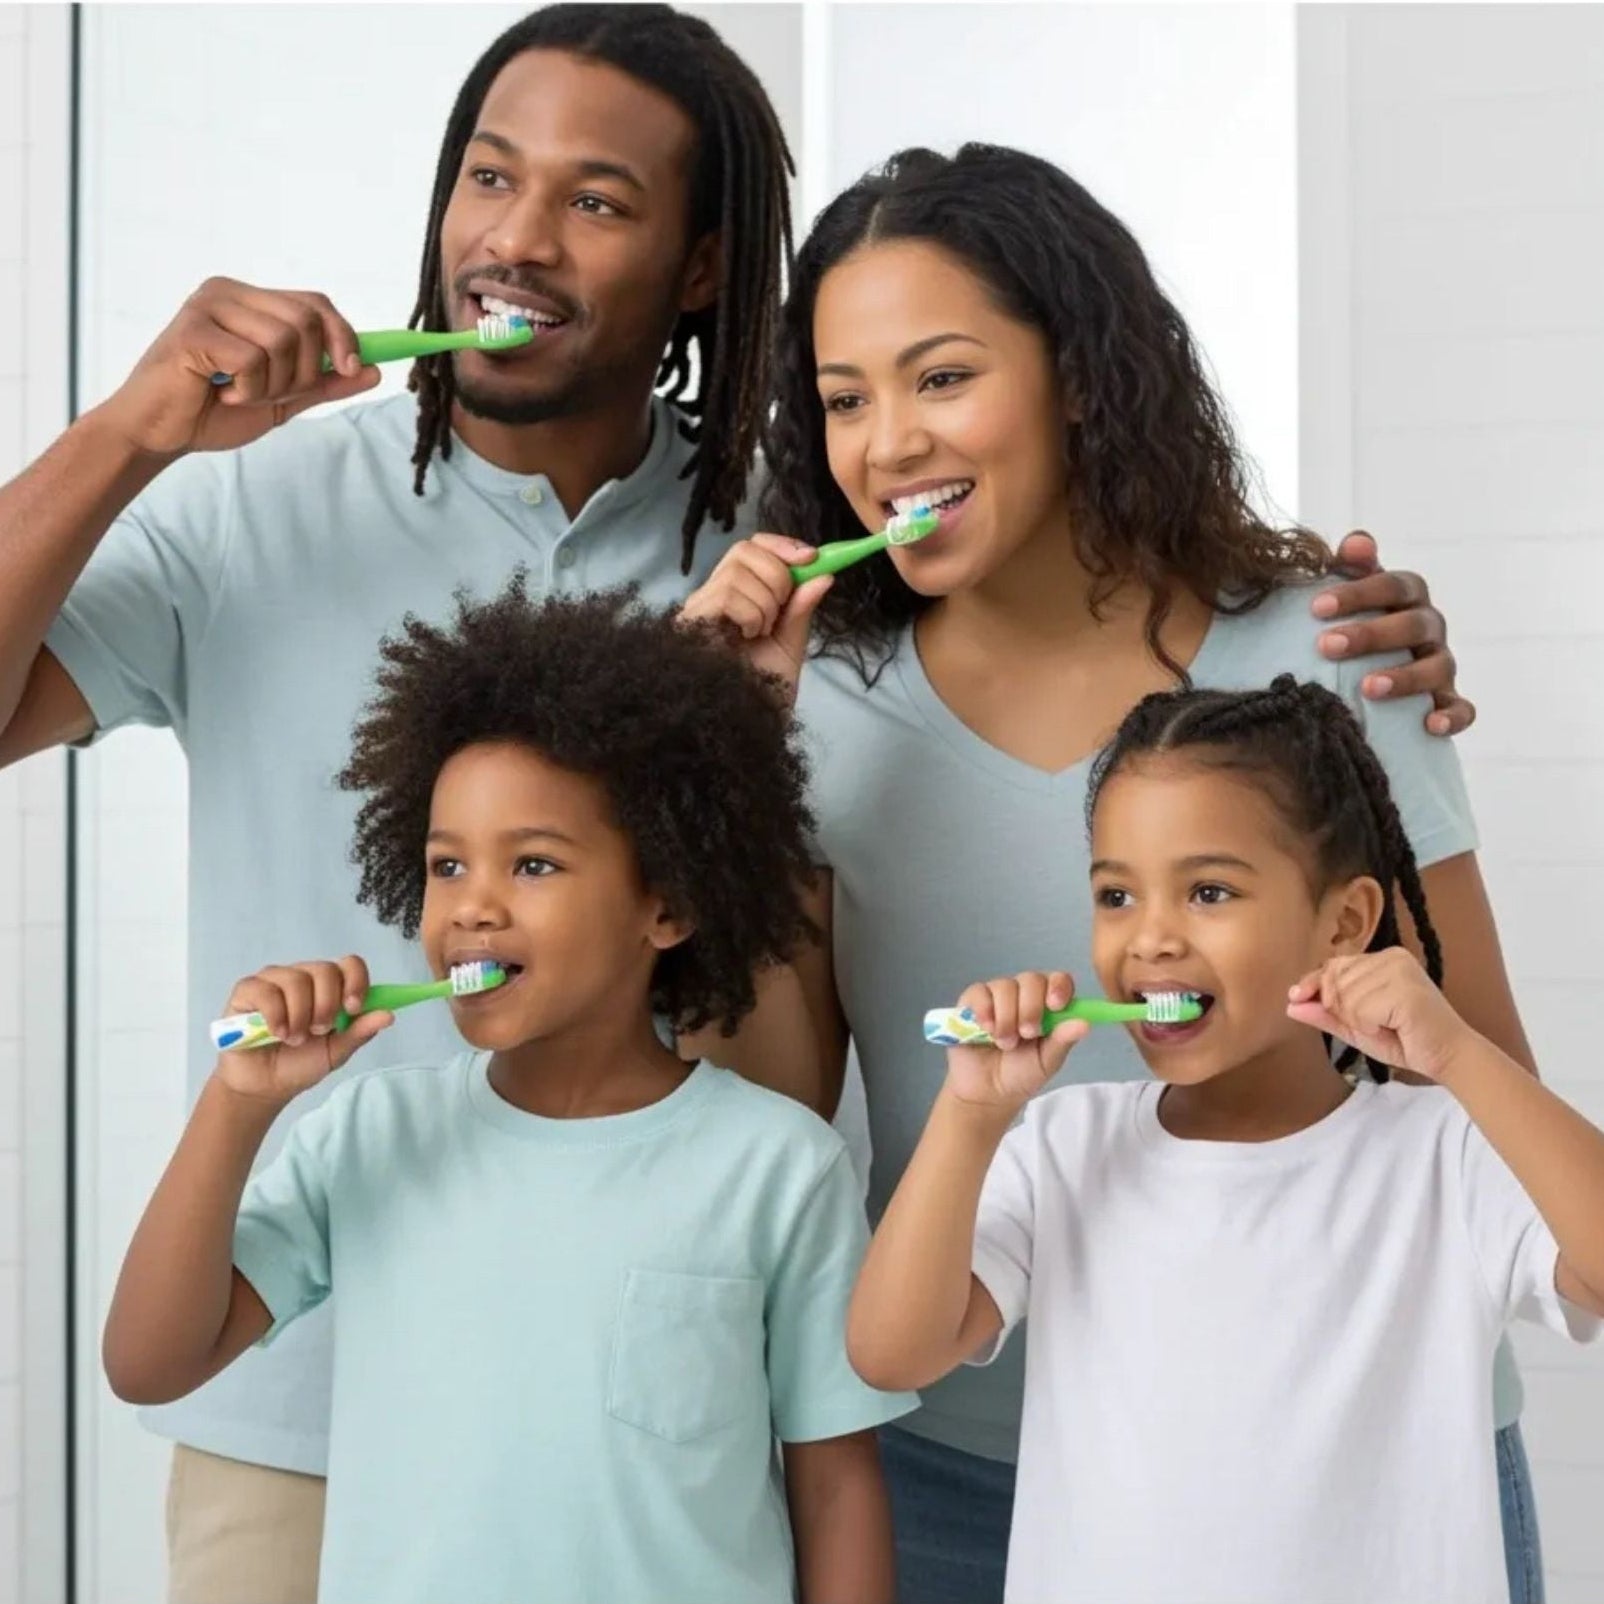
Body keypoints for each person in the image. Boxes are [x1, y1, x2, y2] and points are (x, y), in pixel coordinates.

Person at [0, 4, 1466, 1590]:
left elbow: (763, 1092)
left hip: (683, 1425)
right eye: (489, 176)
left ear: (702, 267)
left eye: (597, 199)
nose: (517, 238)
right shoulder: (248, 505)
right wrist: (133, 429)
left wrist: (1322, 640)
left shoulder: (786, 555)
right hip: (303, 1398)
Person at [682, 143, 1541, 1603]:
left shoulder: (1329, 653)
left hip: (1360, 1454)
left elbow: (1480, 1081)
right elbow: (766, 1115)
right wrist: (729, 766)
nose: (887, 444)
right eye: (845, 398)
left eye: (942, 377)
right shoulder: (819, 709)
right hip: (957, 1465)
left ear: (1078, 375)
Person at [102, 581, 915, 1604]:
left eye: (531, 864)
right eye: (447, 866)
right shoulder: (371, 1135)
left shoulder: (778, 1168)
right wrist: (238, 1104)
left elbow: (835, 1489)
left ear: (667, 903)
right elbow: (147, 1361)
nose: (472, 906)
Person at [846, 676, 1603, 1604]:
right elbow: (890, 1354)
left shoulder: (1441, 1156)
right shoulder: (1064, 1148)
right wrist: (969, 1116)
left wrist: (1457, 1055)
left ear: (1345, 924)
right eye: (1116, 895)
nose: (1151, 939)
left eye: (1208, 892)